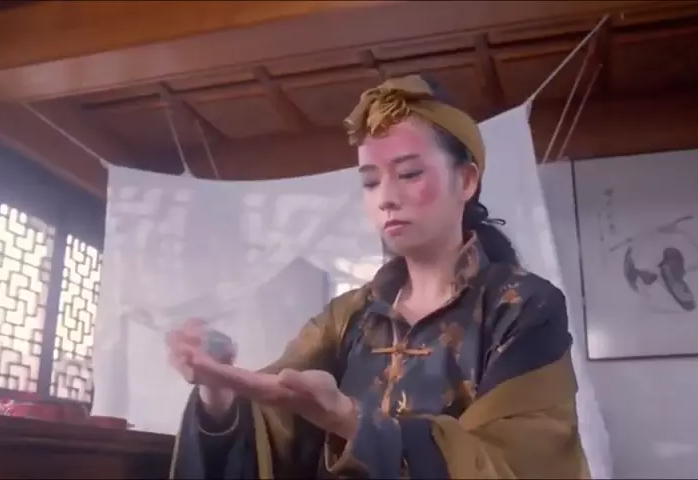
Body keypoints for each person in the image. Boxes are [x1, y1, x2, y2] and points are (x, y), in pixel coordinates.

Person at [167, 75, 589, 479]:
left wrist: (350, 422)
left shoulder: (521, 306)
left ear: (466, 180)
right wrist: (218, 390)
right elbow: (273, 415)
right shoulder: (347, 317)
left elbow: (518, 461)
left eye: (409, 174)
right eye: (370, 182)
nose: (386, 197)